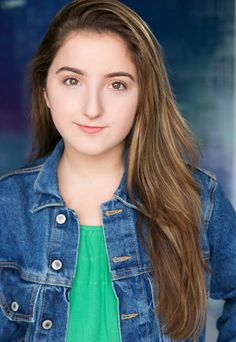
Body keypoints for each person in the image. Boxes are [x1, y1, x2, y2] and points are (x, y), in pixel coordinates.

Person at [0, 0, 235, 341]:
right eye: (71, 81)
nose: (92, 108)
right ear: (45, 90)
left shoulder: (197, 199)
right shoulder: (6, 207)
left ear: (144, 96)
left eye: (117, 85)